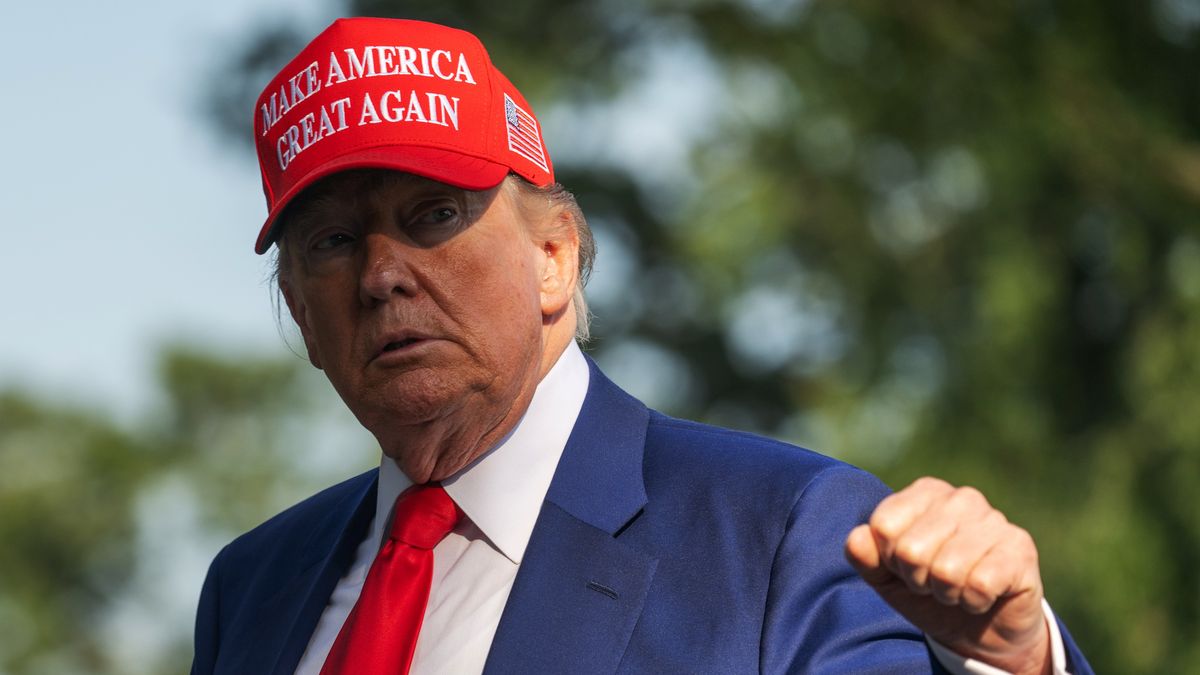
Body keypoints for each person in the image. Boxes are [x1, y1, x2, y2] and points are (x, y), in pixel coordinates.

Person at [192, 17, 1093, 675]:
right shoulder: (253, 589)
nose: (382, 273)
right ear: (302, 316)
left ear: (554, 258)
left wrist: (1007, 662)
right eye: (334, 242)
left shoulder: (782, 532)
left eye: (433, 216)